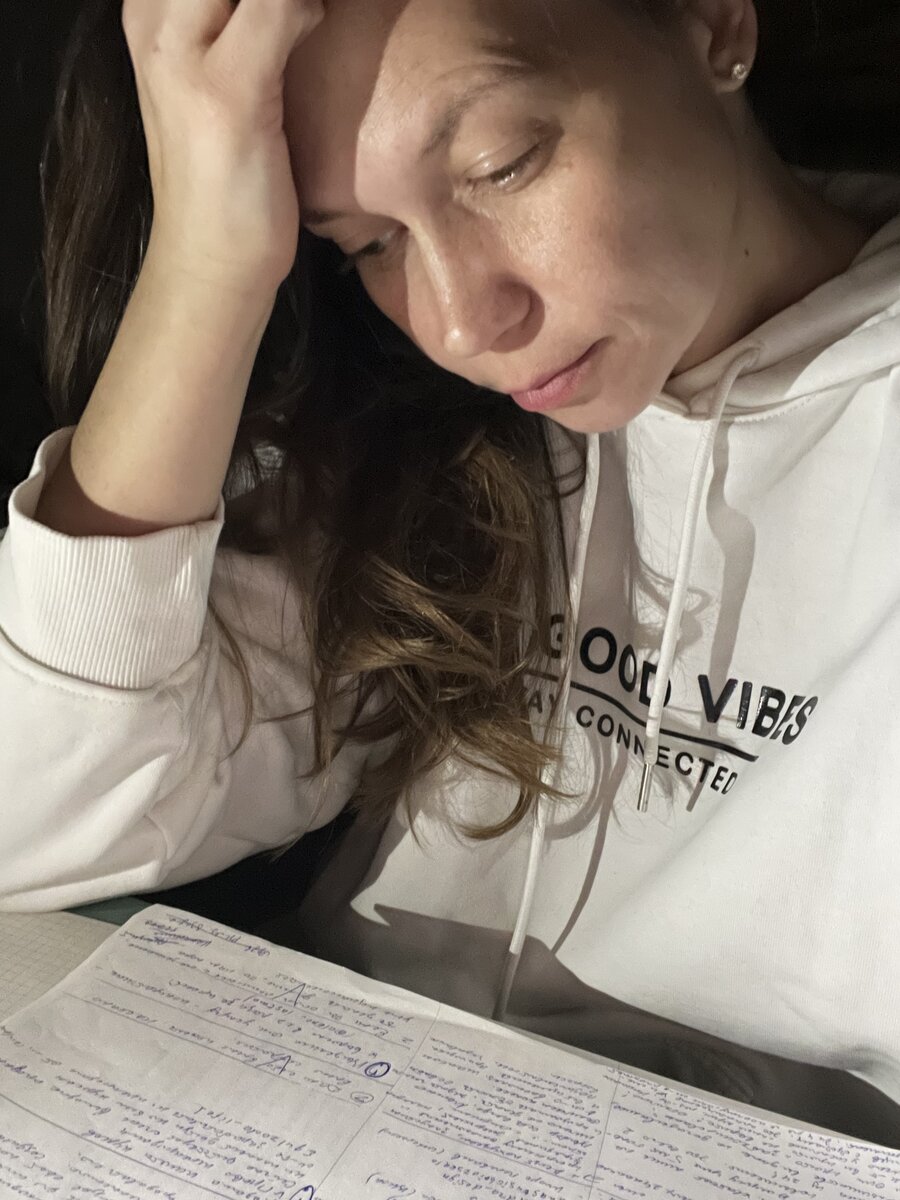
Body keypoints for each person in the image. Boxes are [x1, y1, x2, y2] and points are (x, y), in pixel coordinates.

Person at [1, 0, 899, 1144]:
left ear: (713, 21)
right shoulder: (423, 442)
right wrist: (208, 265)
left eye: (500, 165)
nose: (464, 324)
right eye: (368, 244)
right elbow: (34, 810)